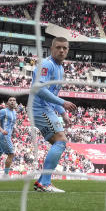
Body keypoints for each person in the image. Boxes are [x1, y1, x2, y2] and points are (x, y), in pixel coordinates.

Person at [31, 37, 77, 193]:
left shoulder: (60, 68)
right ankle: (45, 182)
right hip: (39, 108)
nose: (62, 50)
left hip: (46, 109)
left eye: (65, 48)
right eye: (58, 47)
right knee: (61, 141)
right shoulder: (46, 64)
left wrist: (63, 113)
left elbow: (51, 93)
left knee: (59, 142)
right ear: (51, 49)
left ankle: (42, 182)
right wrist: (63, 103)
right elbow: (39, 89)